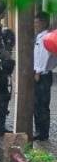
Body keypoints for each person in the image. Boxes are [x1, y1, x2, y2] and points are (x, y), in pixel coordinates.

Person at [34, 11, 57, 141]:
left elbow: (44, 57)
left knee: (41, 104)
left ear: (44, 23)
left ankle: (42, 133)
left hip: (42, 75)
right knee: (38, 104)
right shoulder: (40, 36)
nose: (35, 24)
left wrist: (38, 71)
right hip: (42, 74)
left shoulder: (46, 38)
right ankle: (40, 130)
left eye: (37, 22)